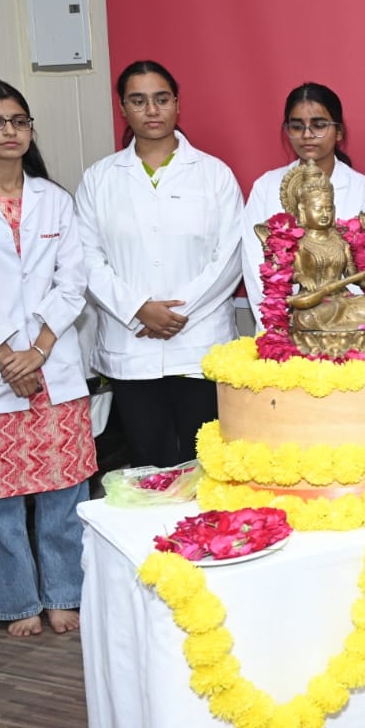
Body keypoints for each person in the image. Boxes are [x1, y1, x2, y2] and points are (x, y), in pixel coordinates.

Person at [0, 79, 97, 636]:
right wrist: (8, 353)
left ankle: (65, 594)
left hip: (50, 363)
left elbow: (72, 282)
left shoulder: (54, 198)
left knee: (65, 490)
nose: (9, 131)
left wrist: (36, 351)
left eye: (19, 120)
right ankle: (16, 602)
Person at [75, 60, 244, 469]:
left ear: (177, 104)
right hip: (130, 346)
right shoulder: (99, 179)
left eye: (161, 99)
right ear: (123, 108)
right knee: (147, 465)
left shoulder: (214, 175)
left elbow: (231, 256)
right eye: (139, 100)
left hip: (198, 343)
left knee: (204, 464)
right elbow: (86, 257)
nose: (152, 110)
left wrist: (175, 313)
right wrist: (138, 310)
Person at [242, 83, 365, 332]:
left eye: (319, 125)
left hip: (343, 319)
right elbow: (256, 267)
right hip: (286, 319)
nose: (307, 134)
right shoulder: (266, 187)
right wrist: (279, 321)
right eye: (297, 127)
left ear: (339, 132)